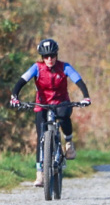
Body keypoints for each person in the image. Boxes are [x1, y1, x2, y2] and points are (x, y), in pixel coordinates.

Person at [9, 38, 90, 187]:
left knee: (64, 116)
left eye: (52, 55)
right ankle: (40, 174)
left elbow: (78, 80)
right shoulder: (36, 68)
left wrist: (86, 97)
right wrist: (14, 97)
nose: (49, 59)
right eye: (46, 56)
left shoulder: (64, 67)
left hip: (61, 102)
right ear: (42, 57)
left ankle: (69, 142)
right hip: (42, 104)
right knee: (41, 137)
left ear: (56, 55)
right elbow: (21, 81)